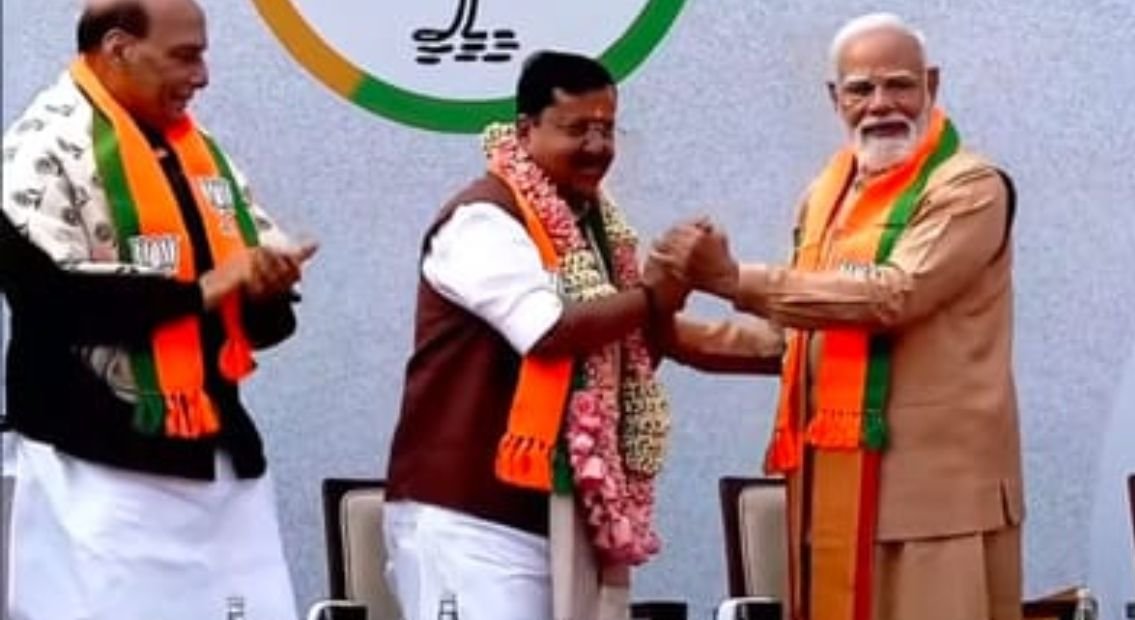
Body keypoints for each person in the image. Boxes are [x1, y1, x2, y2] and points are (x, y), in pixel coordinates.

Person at [653, 13, 1023, 620]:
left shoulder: (970, 188)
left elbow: (892, 295)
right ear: (835, 98)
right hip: (831, 493)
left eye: (899, 84)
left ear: (931, 84)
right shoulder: (825, 196)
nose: (880, 105)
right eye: (860, 89)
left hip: (937, 505)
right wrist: (660, 332)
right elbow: (789, 342)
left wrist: (732, 280)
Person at [1, 1, 316, 618]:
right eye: (185, 56)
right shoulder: (38, 150)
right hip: (98, 465)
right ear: (119, 48)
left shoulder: (203, 157)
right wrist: (204, 290)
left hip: (220, 464)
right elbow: (49, 303)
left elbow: (263, 326)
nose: (203, 76)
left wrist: (265, 288)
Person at [383, 51, 684, 620]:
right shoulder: (481, 220)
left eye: (607, 130)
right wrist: (654, 297)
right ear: (525, 130)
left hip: (553, 517)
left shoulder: (592, 227)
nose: (596, 146)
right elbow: (547, 330)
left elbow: (624, 342)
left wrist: (774, 337)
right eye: (577, 129)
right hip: (470, 520)